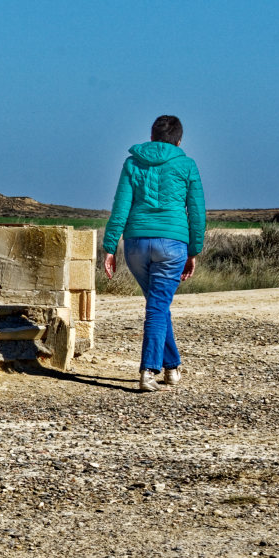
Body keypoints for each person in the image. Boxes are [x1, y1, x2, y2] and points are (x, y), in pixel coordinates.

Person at [101, 114, 205, 393]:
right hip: (172, 244)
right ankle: (148, 371)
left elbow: (120, 206)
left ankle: (172, 367)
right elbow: (196, 212)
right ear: (179, 141)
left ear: (151, 137)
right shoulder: (187, 165)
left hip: (135, 244)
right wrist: (193, 250)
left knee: (158, 304)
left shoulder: (132, 162)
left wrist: (110, 247)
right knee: (158, 306)